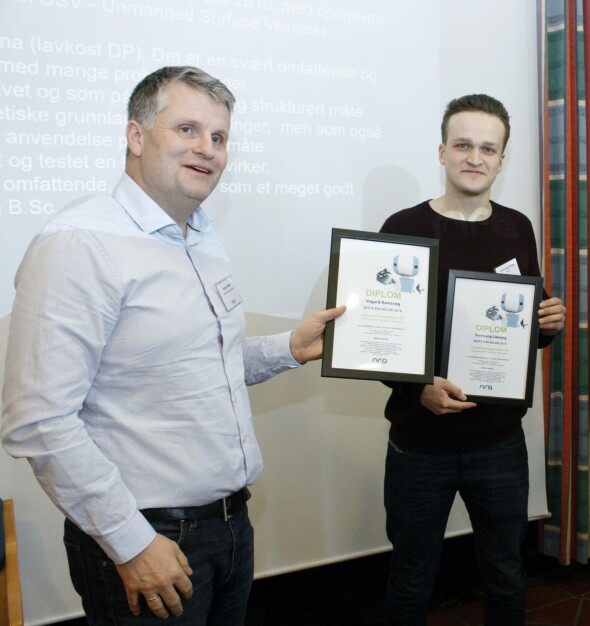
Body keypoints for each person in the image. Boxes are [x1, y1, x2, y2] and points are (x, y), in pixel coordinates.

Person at [1, 66, 344, 625]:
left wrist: (289, 346)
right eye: (187, 129)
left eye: (219, 137)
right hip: (148, 539)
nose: (206, 149)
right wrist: (131, 542)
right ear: (136, 136)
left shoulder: (200, 237)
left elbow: (200, 366)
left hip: (229, 529)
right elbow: (38, 420)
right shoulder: (80, 242)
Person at [377, 94, 566, 625]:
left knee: (507, 574)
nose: (475, 157)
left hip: (500, 445)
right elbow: (381, 337)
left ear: (502, 160)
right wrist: (419, 387)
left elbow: (519, 330)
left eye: (488, 148)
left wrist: (545, 325)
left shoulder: (516, 228)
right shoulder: (403, 226)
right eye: (463, 145)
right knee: (412, 578)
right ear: (442, 152)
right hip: (420, 446)